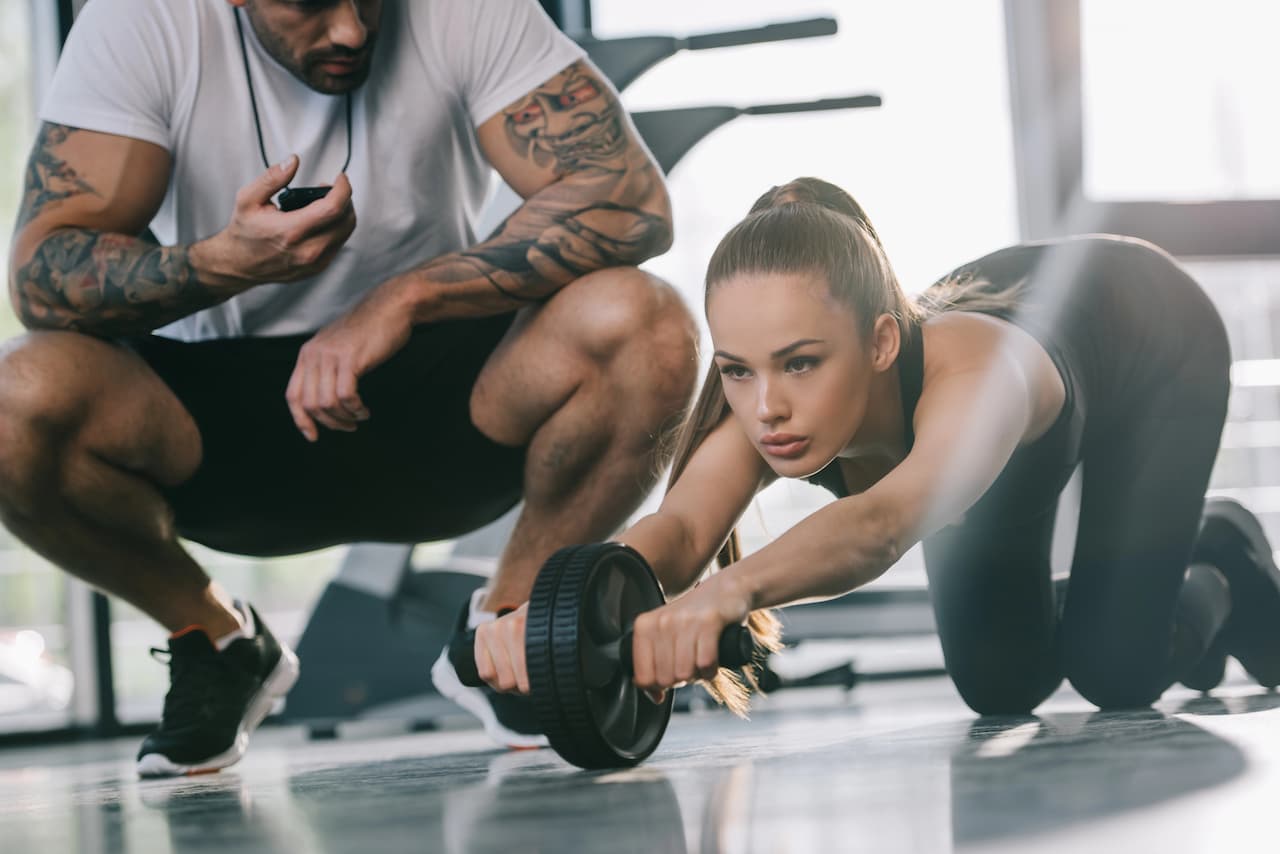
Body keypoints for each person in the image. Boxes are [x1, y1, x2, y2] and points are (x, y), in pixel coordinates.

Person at [0, 0, 697, 776]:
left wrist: (401, 299)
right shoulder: (142, 20)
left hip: (447, 407)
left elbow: (632, 198)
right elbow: (40, 277)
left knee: (648, 324)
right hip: (220, 432)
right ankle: (218, 643)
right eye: (309, 3)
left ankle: (509, 631)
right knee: (12, 401)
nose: (351, 31)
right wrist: (223, 262)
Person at [473, 176, 1280, 718]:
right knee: (1001, 687)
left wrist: (727, 596)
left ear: (881, 342)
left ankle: (1219, 554)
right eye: (738, 371)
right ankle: (1137, 588)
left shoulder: (977, 380)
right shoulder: (771, 402)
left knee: (1117, 672)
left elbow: (883, 521)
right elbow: (681, 534)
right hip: (999, 457)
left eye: (800, 362)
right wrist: (553, 611)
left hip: (1152, 341)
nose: (767, 406)